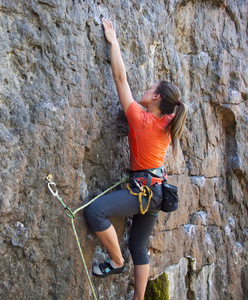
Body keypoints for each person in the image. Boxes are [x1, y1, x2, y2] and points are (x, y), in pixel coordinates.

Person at [84, 18, 188, 300]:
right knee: (139, 247)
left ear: (155, 98)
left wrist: (113, 42)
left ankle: (117, 263)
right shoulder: (167, 124)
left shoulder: (141, 119)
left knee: (94, 212)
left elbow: (120, 79)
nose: (144, 90)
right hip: (157, 190)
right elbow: (175, 104)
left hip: (143, 191)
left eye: (150, 89)